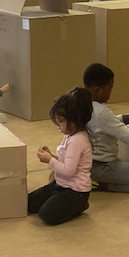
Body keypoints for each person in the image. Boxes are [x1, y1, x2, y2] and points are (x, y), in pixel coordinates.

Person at [82, 62, 129, 193]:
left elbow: (102, 124)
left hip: (85, 164)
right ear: (98, 89)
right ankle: (101, 185)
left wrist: (128, 117)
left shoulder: (82, 104)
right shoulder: (102, 112)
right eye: (109, 89)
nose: (110, 93)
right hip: (102, 166)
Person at [28, 88, 94, 226]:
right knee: (28, 203)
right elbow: (66, 160)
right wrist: (52, 156)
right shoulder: (70, 136)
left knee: (46, 215)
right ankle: (59, 200)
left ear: (74, 122)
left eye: (61, 122)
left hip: (75, 192)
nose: (58, 126)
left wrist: (49, 160)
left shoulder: (78, 140)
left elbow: (68, 170)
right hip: (60, 184)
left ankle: (79, 205)